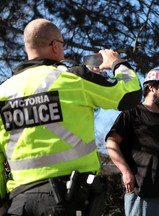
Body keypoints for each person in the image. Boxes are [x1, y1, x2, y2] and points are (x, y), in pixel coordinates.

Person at [0, 18, 142, 216]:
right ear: (55, 46)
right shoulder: (73, 77)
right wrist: (117, 63)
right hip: (68, 200)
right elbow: (130, 94)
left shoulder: (4, 91)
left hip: (19, 204)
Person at [105, 66, 159, 216]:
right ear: (151, 87)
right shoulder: (131, 112)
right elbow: (111, 142)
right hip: (141, 193)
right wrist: (125, 172)